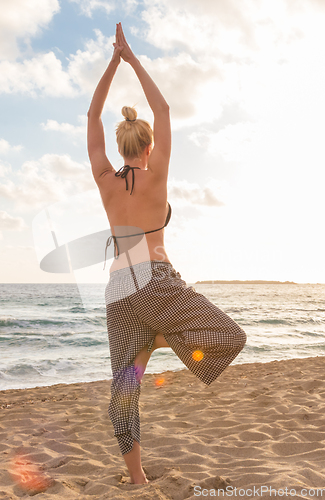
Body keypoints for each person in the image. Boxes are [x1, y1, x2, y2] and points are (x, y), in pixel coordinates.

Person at [87, 23, 246, 485]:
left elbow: (93, 116)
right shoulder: (157, 178)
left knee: (124, 391)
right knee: (228, 337)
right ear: (150, 147)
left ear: (119, 147)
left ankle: (136, 479)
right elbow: (163, 107)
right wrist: (133, 59)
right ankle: (161, 341)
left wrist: (111, 63)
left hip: (119, 289)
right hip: (155, 280)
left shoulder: (104, 180)